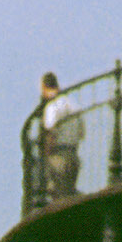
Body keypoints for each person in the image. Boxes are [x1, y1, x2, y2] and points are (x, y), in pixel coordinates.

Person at [36, 69, 84, 201]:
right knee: (69, 194)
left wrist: (47, 155)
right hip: (74, 156)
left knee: (56, 195)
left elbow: (51, 133)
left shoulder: (53, 106)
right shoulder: (74, 105)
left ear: (44, 88)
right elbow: (81, 134)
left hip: (59, 156)